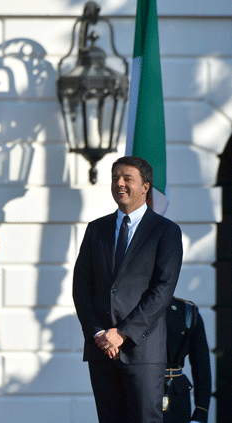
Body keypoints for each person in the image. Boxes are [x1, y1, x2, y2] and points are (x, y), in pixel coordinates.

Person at [73, 156, 183, 423]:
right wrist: (98, 332)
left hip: (142, 352)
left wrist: (123, 333)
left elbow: (162, 289)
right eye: (115, 178)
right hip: (101, 351)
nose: (119, 184)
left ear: (145, 187)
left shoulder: (165, 231)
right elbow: (81, 287)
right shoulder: (96, 230)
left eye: (127, 178)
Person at [164, 297, 211, 423]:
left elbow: (202, 366)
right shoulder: (135, 309)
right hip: (142, 392)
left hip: (177, 396)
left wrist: (201, 411)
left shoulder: (187, 311)